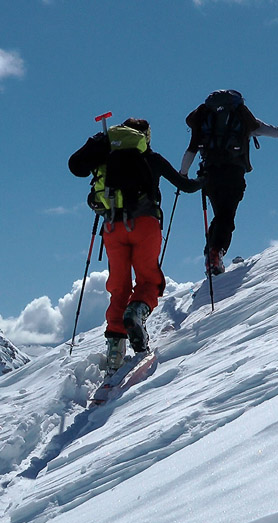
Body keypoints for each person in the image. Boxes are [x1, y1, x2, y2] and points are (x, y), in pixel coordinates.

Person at [69, 118, 202, 374]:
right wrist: (203, 181)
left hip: (112, 228)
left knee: (119, 287)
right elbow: (184, 186)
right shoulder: (152, 158)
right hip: (145, 225)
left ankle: (114, 355)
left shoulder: (106, 156)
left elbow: (78, 168)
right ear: (145, 136)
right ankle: (136, 313)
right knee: (148, 280)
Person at [180, 89, 278, 275]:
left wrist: (183, 174)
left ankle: (211, 254)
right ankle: (215, 254)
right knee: (226, 216)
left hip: (210, 174)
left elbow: (191, 150)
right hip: (233, 173)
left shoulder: (205, 122)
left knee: (220, 215)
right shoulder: (243, 120)